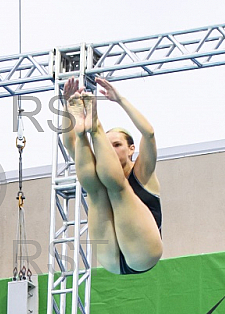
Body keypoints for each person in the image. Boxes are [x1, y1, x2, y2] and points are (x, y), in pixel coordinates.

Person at [61, 77, 163, 274]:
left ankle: (95, 126)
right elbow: (69, 144)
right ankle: (86, 131)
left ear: (131, 149)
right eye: (108, 146)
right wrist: (68, 111)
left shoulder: (143, 171)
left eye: (117, 145)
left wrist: (120, 99)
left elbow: (149, 133)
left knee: (117, 187)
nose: (112, 151)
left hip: (143, 254)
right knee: (95, 191)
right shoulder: (100, 169)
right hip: (111, 260)